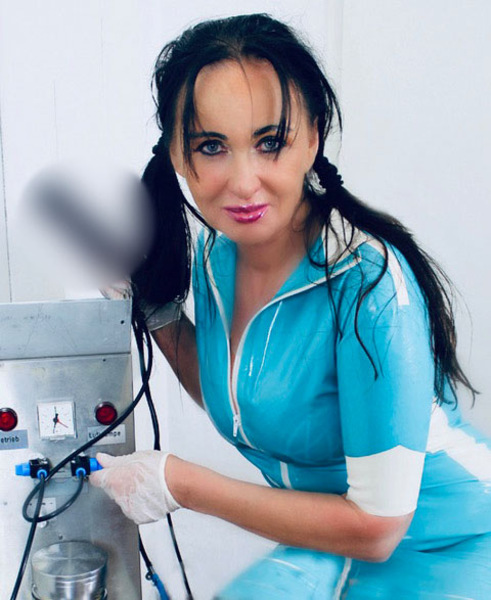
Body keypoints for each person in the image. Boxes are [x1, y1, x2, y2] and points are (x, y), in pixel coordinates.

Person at [90, 14, 491, 599]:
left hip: (447, 543)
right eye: (211, 146)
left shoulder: (368, 288)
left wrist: (180, 484)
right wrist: (158, 313)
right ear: (177, 152)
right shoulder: (216, 260)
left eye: (270, 142)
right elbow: (244, 394)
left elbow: (378, 527)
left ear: (313, 138)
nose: (243, 182)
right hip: (331, 539)